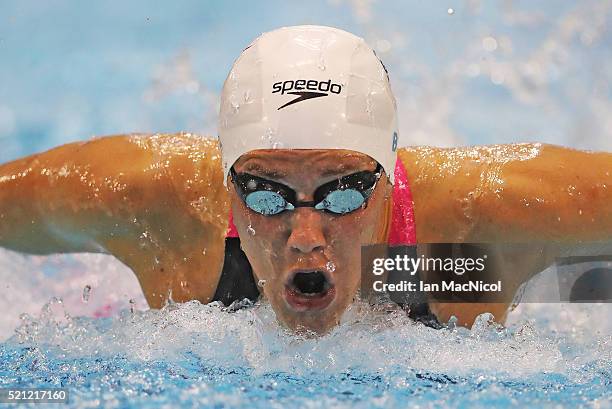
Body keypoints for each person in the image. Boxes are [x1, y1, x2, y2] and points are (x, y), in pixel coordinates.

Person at [0, 26, 610, 334]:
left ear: (389, 174)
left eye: (344, 191)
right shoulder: (160, 207)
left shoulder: (479, 223)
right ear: (227, 182)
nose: (305, 236)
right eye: (266, 193)